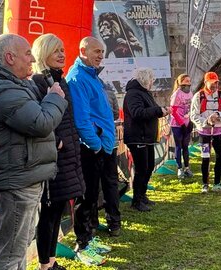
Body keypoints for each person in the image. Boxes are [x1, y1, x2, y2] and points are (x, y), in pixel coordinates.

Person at [0, 33, 67, 270]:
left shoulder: (13, 85)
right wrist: (54, 99)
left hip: (23, 177)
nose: (32, 60)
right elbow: (40, 123)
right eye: (27, 53)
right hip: (16, 181)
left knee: (18, 249)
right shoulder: (2, 89)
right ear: (10, 57)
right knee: (11, 253)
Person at [31, 33, 85, 270]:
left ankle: (51, 260)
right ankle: (45, 264)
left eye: (63, 50)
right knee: (48, 212)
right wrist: (57, 142)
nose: (62, 54)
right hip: (53, 157)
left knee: (57, 209)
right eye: (56, 51)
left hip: (67, 155)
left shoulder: (60, 81)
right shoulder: (38, 82)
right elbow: (37, 120)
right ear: (44, 54)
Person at [66, 36, 121, 258]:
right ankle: (83, 242)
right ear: (83, 50)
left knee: (92, 196)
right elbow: (81, 119)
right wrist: (97, 145)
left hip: (101, 145)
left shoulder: (90, 76)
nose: (100, 56)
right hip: (91, 148)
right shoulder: (78, 77)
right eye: (96, 51)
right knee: (86, 197)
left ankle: (88, 238)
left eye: (102, 52)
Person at [124, 67, 170, 211]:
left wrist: (162, 111)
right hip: (138, 137)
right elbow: (137, 113)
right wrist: (157, 111)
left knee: (149, 167)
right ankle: (137, 201)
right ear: (144, 79)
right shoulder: (133, 94)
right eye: (151, 79)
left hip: (146, 138)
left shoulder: (145, 93)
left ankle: (142, 196)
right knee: (141, 169)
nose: (152, 82)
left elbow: (151, 110)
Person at [190, 71, 221, 193]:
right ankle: (205, 183)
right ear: (206, 82)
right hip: (204, 132)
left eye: (216, 83)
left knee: (220, 156)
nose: (214, 85)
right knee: (205, 157)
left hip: (218, 131)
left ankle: (217, 183)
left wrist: (218, 115)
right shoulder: (198, 96)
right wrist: (207, 121)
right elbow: (193, 115)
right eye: (212, 83)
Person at [170, 74, 194, 179]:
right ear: (181, 83)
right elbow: (173, 111)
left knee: (186, 146)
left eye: (189, 81)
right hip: (177, 124)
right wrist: (181, 124)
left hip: (187, 122)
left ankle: (187, 168)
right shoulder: (176, 94)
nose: (189, 83)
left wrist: (191, 122)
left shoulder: (190, 93)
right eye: (186, 81)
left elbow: (192, 108)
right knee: (179, 146)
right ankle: (179, 168)